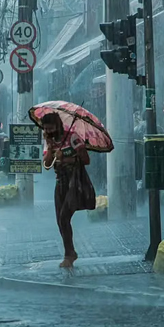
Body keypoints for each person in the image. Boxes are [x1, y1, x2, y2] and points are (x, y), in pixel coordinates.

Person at [42, 113, 95, 268]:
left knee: (65, 217)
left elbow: (86, 160)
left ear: (58, 125)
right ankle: (70, 252)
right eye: (46, 129)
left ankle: (69, 254)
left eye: (51, 128)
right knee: (60, 220)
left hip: (75, 181)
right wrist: (50, 149)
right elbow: (46, 165)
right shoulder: (50, 141)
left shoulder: (72, 138)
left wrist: (65, 158)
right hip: (60, 182)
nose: (49, 131)